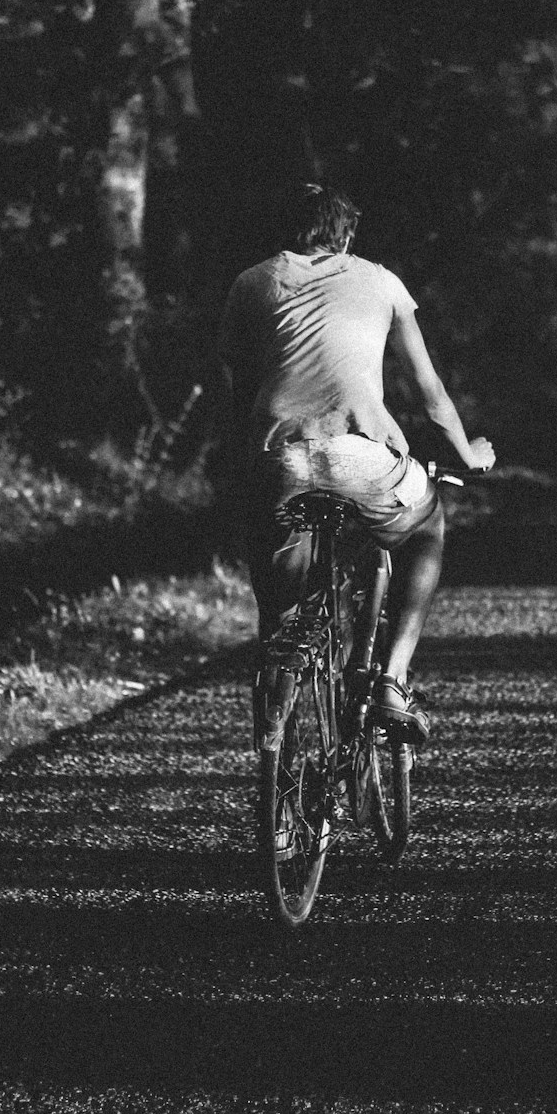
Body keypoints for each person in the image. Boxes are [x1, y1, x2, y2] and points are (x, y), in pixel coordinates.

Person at [218, 183, 494, 745]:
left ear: (288, 233)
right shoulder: (381, 281)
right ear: (345, 235)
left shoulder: (251, 283)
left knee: (282, 607)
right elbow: (431, 393)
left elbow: (237, 390)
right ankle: (391, 679)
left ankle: (278, 721)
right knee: (426, 528)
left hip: (281, 459)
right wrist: (471, 455)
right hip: (363, 459)